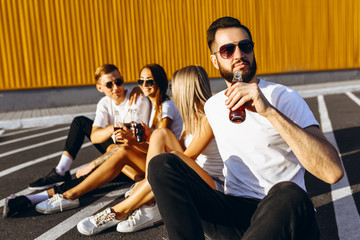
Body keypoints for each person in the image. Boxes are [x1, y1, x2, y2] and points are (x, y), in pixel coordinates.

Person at [147, 16, 344, 240]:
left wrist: (268, 111)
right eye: (227, 50)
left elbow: (332, 172)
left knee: (289, 192)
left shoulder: (283, 97)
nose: (239, 55)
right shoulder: (213, 106)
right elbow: (188, 155)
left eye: (245, 46)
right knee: (162, 164)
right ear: (214, 61)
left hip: (284, 214)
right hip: (235, 214)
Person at [3, 63, 183, 219]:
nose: (144, 85)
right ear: (100, 88)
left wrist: (97, 160)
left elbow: (158, 145)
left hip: (157, 162)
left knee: (103, 166)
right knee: (100, 159)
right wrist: (116, 136)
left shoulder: (152, 103)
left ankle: (62, 196)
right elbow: (99, 136)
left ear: (159, 82)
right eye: (140, 82)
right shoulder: (149, 105)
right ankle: (39, 194)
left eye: (149, 81)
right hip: (142, 157)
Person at [75, 65, 225, 236]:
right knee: (160, 134)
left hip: (213, 186)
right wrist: (142, 141)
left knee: (171, 158)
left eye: (173, 86)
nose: (171, 90)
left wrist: (145, 182)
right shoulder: (189, 118)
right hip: (194, 176)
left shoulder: (208, 118)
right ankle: (151, 204)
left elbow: (185, 157)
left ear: (185, 88)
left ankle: (118, 211)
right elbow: (179, 154)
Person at [27, 64, 150, 190]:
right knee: (79, 122)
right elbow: (95, 137)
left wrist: (92, 164)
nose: (116, 87)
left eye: (118, 82)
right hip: (115, 148)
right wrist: (112, 129)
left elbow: (131, 145)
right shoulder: (104, 103)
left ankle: (56, 194)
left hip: (133, 154)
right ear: (100, 88)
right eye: (109, 85)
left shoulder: (137, 100)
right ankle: (61, 171)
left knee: (91, 175)